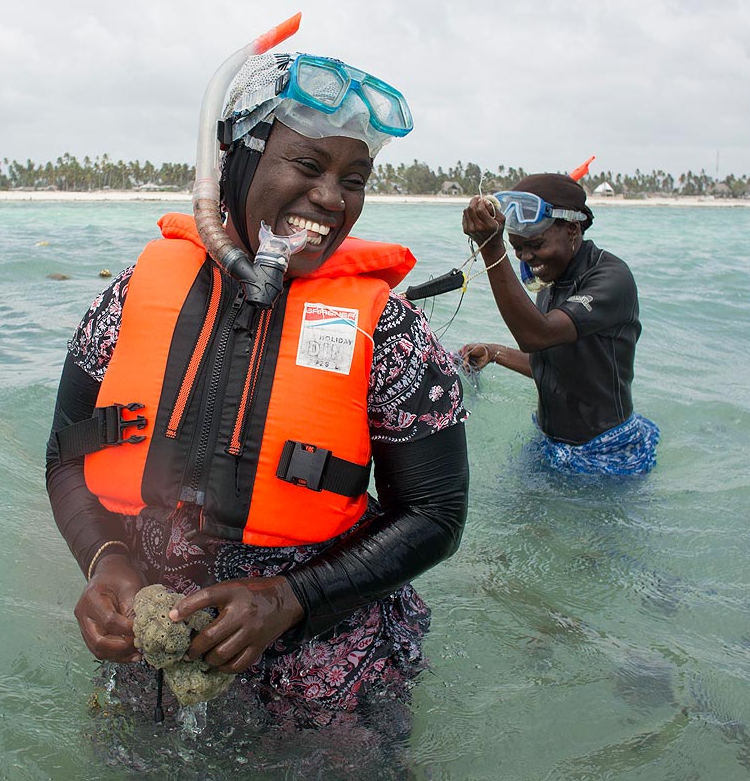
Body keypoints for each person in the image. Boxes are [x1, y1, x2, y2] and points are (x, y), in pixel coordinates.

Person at [44, 49, 468, 749]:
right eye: (308, 166)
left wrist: (291, 599)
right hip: (158, 642)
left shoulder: (390, 328)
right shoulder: (131, 296)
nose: (333, 199)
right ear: (233, 161)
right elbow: (66, 458)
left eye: (353, 179)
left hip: (326, 656)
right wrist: (105, 562)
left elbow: (436, 514)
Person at [458, 173, 659, 475]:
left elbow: (538, 335)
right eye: (517, 248)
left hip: (606, 449)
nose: (527, 257)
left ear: (572, 230)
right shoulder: (554, 279)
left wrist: (491, 248)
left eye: (536, 244)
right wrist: (495, 352)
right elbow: (555, 362)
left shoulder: (611, 278)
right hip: (548, 441)